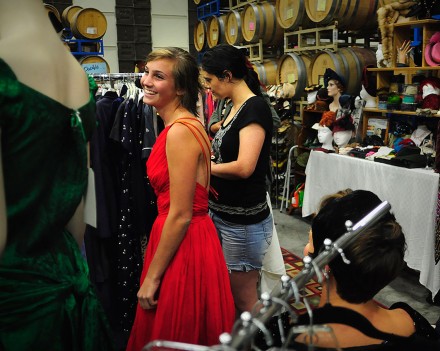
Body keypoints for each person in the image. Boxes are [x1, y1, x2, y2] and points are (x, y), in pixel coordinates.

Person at [0, 1, 115, 350]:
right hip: (68, 290)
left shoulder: (7, 65)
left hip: (17, 312)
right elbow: (76, 221)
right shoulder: (75, 71)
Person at [126, 47, 235, 349]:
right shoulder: (184, 124)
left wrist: (151, 277)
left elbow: (181, 213)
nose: (146, 80)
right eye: (146, 71)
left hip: (183, 239)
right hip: (187, 235)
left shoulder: (179, 131)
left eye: (158, 76)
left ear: (182, 88)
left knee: (176, 328)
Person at [295, 189, 440, 350]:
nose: (306, 248)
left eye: (310, 242)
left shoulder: (288, 336)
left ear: (325, 264)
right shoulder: (409, 322)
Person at [201, 44, 274, 314]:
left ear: (227, 76)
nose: (208, 88)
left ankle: (253, 341)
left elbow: (245, 167)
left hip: (242, 222)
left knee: (244, 299)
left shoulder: (254, 108)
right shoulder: (235, 106)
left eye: (209, 80)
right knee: (233, 293)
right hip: (226, 214)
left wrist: (205, 169)